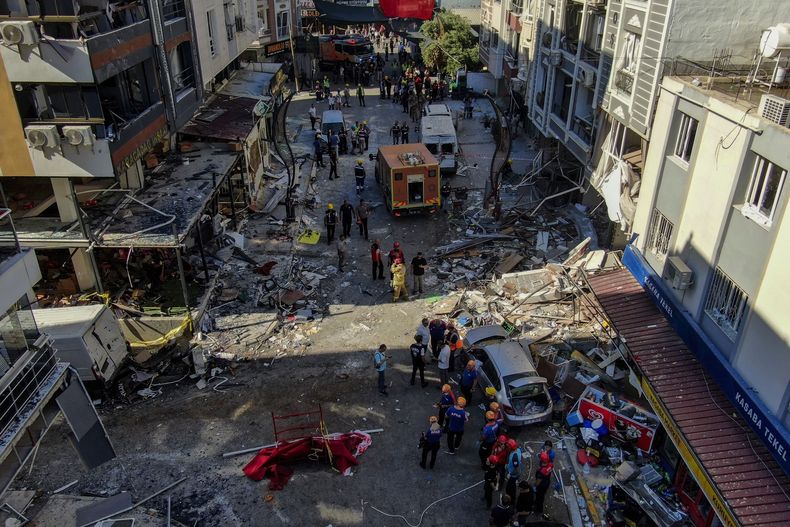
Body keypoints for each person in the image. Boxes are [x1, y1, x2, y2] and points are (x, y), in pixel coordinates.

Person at [534, 451, 553, 519]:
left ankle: (538, 510)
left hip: (541, 486)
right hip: (547, 482)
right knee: (541, 496)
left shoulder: (541, 471)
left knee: (539, 498)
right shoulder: (550, 464)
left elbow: (538, 482)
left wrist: (535, 486)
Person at [504, 439, 523, 504]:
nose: (507, 447)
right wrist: (507, 464)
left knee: (511, 489)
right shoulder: (518, 450)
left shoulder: (515, 457)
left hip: (513, 475)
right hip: (513, 472)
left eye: (508, 446)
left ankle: (512, 502)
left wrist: (510, 474)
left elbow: (516, 468)